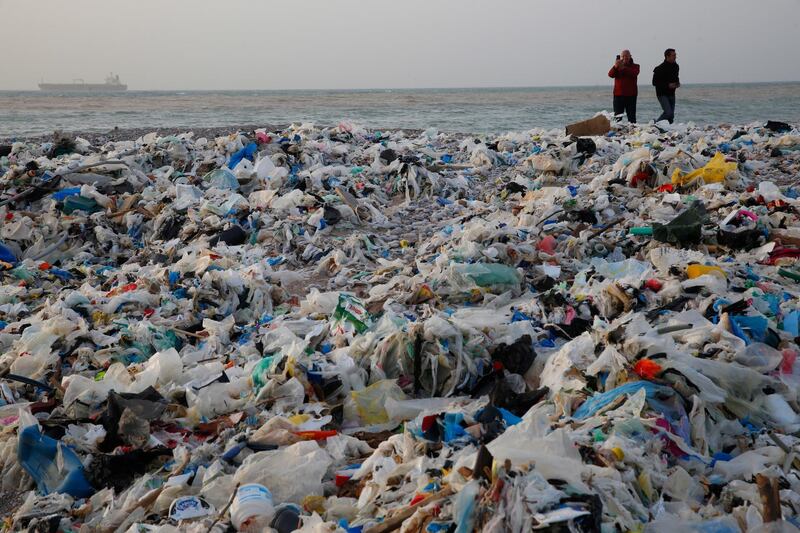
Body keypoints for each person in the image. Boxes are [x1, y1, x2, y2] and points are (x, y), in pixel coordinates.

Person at [608, 49, 640, 123]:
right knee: (618, 117)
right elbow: (610, 74)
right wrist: (615, 67)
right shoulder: (617, 67)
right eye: (623, 56)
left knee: (632, 117)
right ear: (620, 57)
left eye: (627, 56)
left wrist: (623, 68)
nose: (625, 58)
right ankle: (617, 132)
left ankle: (633, 132)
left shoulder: (635, 66)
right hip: (618, 95)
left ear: (630, 56)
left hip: (631, 95)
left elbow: (634, 73)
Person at [652, 48, 681, 123]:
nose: (675, 57)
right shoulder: (659, 68)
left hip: (671, 93)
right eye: (673, 55)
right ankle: (656, 124)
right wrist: (668, 85)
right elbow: (654, 82)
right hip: (661, 93)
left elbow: (676, 77)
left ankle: (668, 131)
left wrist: (677, 83)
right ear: (667, 56)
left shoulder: (676, 66)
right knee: (668, 113)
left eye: (675, 55)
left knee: (671, 116)